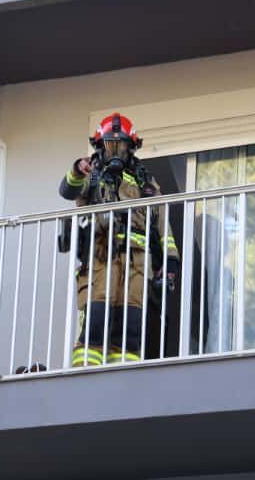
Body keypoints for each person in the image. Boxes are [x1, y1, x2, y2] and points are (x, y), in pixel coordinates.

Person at [58, 112, 180, 366]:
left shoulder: (146, 182)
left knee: (131, 325)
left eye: (121, 144)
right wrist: (76, 169)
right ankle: (86, 371)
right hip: (101, 256)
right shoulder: (91, 174)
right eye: (110, 144)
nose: (115, 150)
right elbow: (67, 190)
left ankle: (124, 373)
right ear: (100, 146)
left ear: (131, 146)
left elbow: (162, 226)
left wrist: (170, 263)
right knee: (97, 318)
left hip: (137, 261)